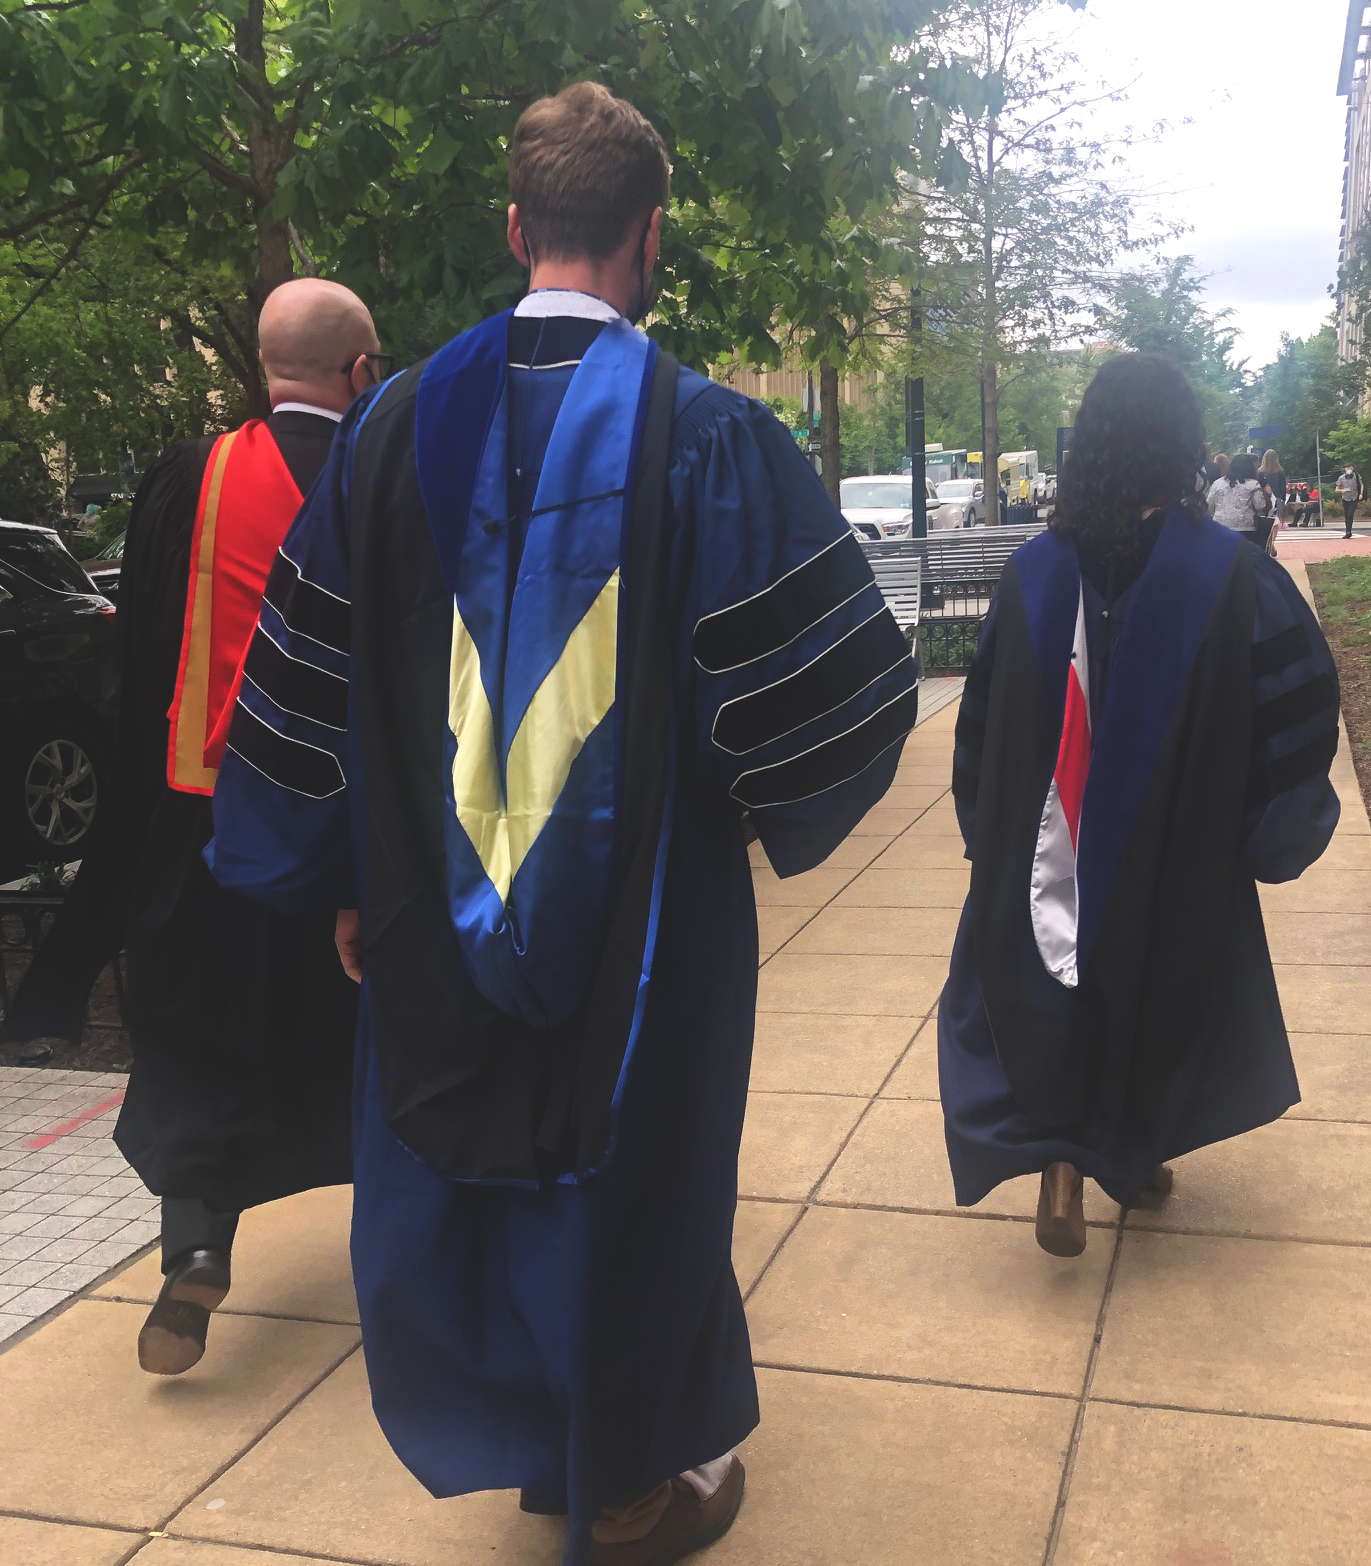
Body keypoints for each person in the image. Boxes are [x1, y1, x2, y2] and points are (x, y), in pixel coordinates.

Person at [205, 82, 918, 1566]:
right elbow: (831, 705)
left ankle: (535, 1439)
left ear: (516, 224)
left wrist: (341, 873)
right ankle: (628, 1481)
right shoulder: (711, 437)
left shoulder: (389, 430)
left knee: (471, 1157)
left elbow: (311, 678)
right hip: (649, 918)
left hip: (422, 900)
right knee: (632, 1173)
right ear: (649, 234)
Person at [942, 353, 1339, 1257]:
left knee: (1053, 977)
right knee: (1161, 987)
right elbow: (1294, 719)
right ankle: (1133, 1149)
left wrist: (986, 831)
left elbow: (983, 723)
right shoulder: (1232, 576)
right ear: (1180, 446)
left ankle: (1064, 1166)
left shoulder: (1032, 573)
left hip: (1048, 849)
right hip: (1174, 854)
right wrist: (1261, 830)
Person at [109, 279, 376, 1373]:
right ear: (361, 371)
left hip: (211, 817)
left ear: (265, 369)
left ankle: (197, 1242)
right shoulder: (387, 474)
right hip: (356, 823)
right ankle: (408, 1247)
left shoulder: (193, 476)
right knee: (370, 1042)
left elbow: (144, 656)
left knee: (200, 1037)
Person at [1207, 451, 1273, 545]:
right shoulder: (1253, 484)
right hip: (1246, 527)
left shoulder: (1217, 483)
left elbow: (1209, 504)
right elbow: (1260, 506)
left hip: (1220, 526)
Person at [1336, 462, 1363, 537]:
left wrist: (1361, 494)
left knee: (1350, 514)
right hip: (1345, 498)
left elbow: (1361, 485)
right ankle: (1348, 531)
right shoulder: (1341, 478)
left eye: (1350, 468)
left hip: (1354, 497)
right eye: (1347, 468)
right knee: (1346, 515)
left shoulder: (1356, 476)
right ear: (1345, 469)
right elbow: (1336, 489)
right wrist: (1343, 490)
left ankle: (1348, 531)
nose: (1349, 470)